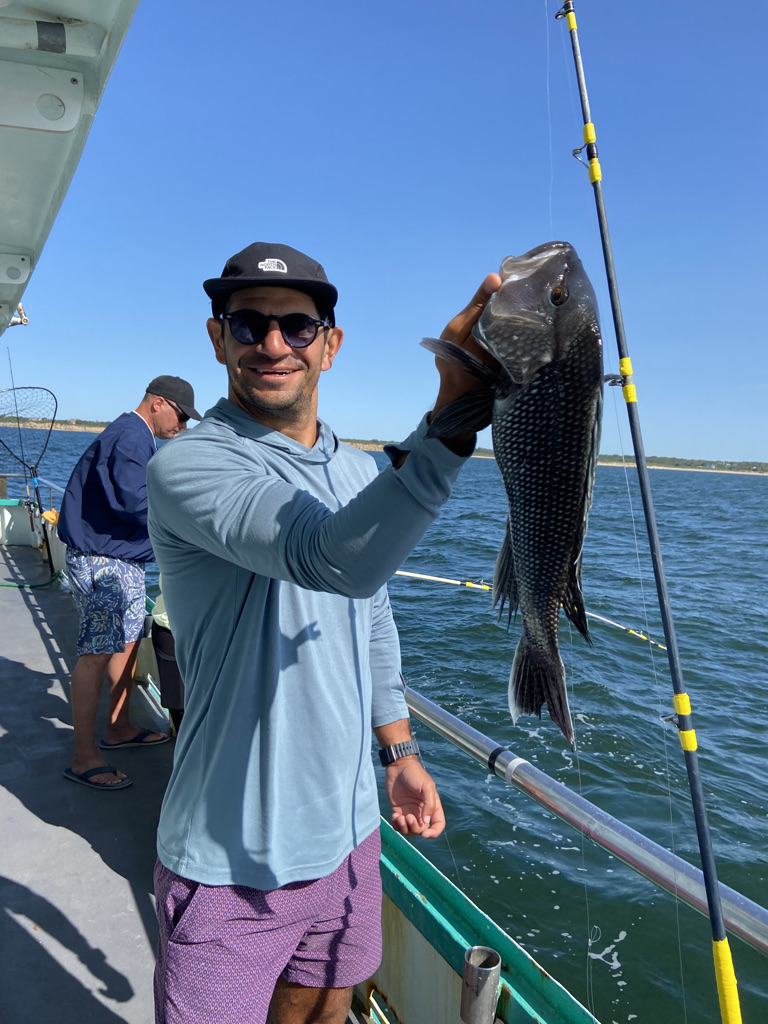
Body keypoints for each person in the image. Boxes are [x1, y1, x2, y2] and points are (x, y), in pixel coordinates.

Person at [146, 242, 500, 1024]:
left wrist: (401, 753)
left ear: (330, 345)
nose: (273, 345)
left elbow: (368, 612)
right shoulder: (192, 464)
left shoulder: (359, 472)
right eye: (249, 325)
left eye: (298, 327)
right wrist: (455, 409)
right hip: (229, 860)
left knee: (324, 1013)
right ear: (218, 339)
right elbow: (328, 557)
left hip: (348, 834)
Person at [60, 376, 202, 791]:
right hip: (104, 564)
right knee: (97, 653)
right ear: (158, 403)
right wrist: (194, 520)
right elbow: (134, 501)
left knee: (124, 644)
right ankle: (83, 756)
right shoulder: (131, 436)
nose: (183, 426)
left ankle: (118, 727)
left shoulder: (135, 436)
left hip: (124, 561)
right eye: (180, 415)